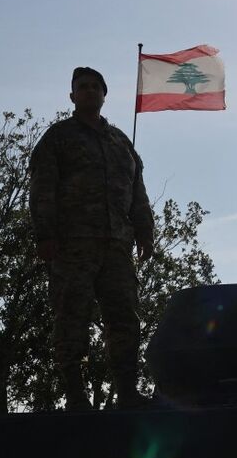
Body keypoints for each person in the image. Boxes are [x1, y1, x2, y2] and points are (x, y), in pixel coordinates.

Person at [29, 67, 155, 409]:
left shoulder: (121, 143)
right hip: (73, 245)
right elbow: (42, 189)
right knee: (72, 317)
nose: (89, 91)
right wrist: (45, 235)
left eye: (95, 87)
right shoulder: (58, 138)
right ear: (72, 96)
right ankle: (75, 394)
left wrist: (145, 232)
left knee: (124, 318)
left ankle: (127, 391)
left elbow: (137, 192)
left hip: (117, 246)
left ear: (104, 94)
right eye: (82, 87)